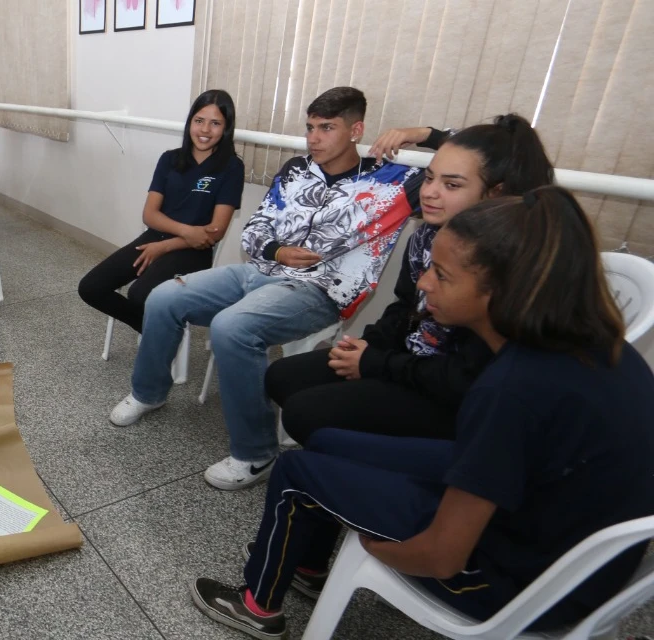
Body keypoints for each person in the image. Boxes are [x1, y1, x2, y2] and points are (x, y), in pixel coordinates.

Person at [190, 186, 654, 639]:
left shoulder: (513, 387)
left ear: (503, 291)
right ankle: (308, 568)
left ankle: (258, 607)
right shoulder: (592, 343)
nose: (426, 282)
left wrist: (372, 546)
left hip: (519, 582)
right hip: (545, 529)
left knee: (295, 472)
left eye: (443, 275)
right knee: (328, 440)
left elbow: (440, 557)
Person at [109, 87, 438, 490]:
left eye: (327, 128)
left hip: (319, 291)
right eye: (310, 127)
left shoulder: (397, 180)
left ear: (357, 130)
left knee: (232, 327)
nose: (313, 138)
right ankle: (149, 393)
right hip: (261, 271)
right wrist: (277, 250)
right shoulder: (296, 169)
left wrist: (421, 133)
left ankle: (256, 452)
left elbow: (491, 157)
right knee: (163, 296)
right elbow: (253, 231)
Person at [265, 114, 555, 445]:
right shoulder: (427, 236)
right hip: (410, 362)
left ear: (494, 193)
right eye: (429, 178)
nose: (430, 193)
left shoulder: (504, 259)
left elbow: (465, 375)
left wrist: (376, 363)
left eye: (452, 185)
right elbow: (406, 305)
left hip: (452, 393)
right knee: (282, 376)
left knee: (305, 413)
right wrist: (368, 346)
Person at [78, 90, 244, 333]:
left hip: (193, 252)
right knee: (91, 287)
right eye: (199, 121)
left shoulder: (231, 167)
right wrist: (185, 232)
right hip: (156, 239)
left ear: (226, 128)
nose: (205, 130)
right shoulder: (170, 159)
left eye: (215, 123)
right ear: (190, 123)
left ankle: (159, 332)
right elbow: (150, 215)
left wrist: (167, 246)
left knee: (140, 293)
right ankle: (154, 329)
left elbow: (215, 231)